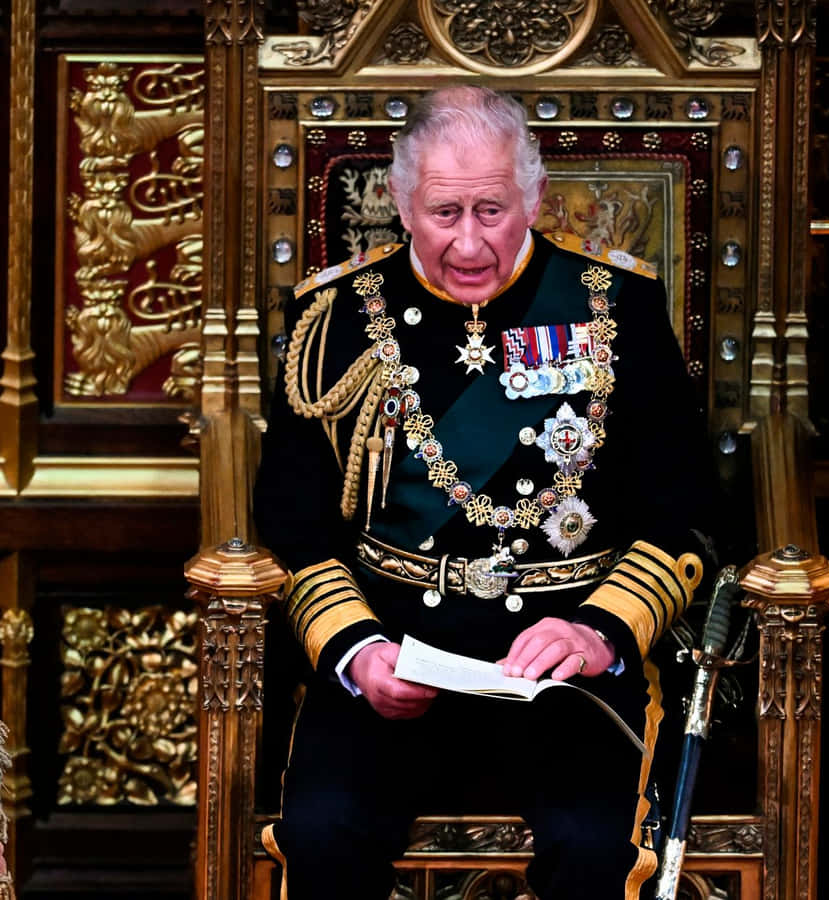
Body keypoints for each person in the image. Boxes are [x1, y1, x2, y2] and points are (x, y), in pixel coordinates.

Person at [254, 85, 713, 900]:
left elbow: (686, 511)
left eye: (492, 211)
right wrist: (358, 650)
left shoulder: (617, 308)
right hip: (394, 652)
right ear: (401, 203)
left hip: (564, 673)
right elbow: (293, 519)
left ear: (535, 198)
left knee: (594, 850)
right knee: (321, 836)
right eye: (444, 213)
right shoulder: (334, 319)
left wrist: (600, 631)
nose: (469, 243)